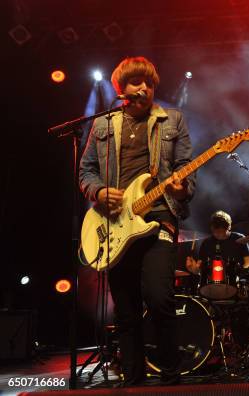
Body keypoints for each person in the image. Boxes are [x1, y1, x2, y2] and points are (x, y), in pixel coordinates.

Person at [79, 56, 196, 387]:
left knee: (160, 298)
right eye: (136, 83)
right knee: (126, 311)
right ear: (121, 90)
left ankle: (171, 379)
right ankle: (133, 382)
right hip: (116, 224)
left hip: (158, 218)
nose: (144, 87)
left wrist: (182, 186)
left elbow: (187, 165)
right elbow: (86, 170)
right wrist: (100, 192)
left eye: (149, 83)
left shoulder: (171, 120)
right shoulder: (104, 125)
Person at [185, 210, 249, 276]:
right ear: (212, 228)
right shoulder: (206, 243)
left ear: (229, 227)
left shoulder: (240, 238)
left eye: (222, 232)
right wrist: (194, 269)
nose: (219, 235)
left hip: (235, 279)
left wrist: (239, 272)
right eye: (216, 232)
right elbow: (199, 269)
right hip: (212, 282)